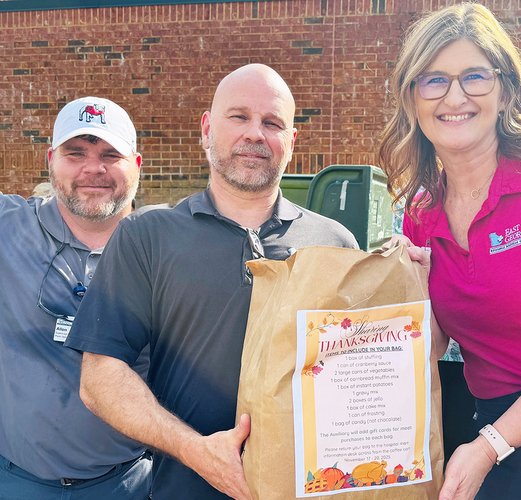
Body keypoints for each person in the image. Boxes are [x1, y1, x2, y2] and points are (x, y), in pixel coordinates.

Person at [65, 64, 358, 499]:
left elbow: (366, 369)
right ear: (207, 128)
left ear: (291, 142)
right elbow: (100, 376)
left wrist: (411, 285)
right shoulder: (148, 237)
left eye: (272, 123)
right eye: (239, 117)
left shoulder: (335, 243)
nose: (255, 133)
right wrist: (195, 450)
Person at [379, 3, 521, 500]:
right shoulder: (422, 209)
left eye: (474, 76)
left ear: (504, 92)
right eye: (433, 80)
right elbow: (432, 346)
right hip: (491, 432)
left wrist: (488, 446)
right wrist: (404, 285)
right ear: (413, 100)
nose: (455, 96)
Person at [0, 97, 151, 499]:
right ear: (51, 160)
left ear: (136, 165)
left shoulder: (164, 249)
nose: (93, 168)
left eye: (109, 154)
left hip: (128, 484)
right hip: (16, 481)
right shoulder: (8, 226)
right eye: (76, 153)